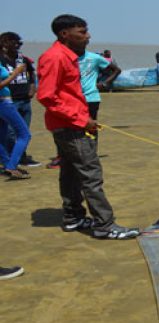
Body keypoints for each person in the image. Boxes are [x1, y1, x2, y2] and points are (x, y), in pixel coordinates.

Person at [37, 14, 140, 239]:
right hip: (70, 126)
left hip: (71, 122)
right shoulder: (55, 57)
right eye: (82, 32)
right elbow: (46, 96)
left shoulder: (68, 56)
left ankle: (73, 217)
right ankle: (105, 225)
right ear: (65, 34)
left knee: (71, 172)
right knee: (91, 174)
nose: (88, 36)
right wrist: (80, 119)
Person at [0, 32, 39, 167]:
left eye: (19, 43)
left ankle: (18, 158)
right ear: (5, 43)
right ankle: (11, 162)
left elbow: (32, 73)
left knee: (23, 131)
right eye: (14, 43)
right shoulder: (1, 60)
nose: (17, 46)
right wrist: (15, 73)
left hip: (24, 99)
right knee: (12, 133)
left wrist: (33, 88)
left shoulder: (22, 59)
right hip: (8, 100)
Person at [0, 59, 32, 179]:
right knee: (24, 134)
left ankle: (7, 164)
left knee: (1, 136)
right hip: (3, 102)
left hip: (4, 101)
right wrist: (15, 74)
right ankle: (12, 166)